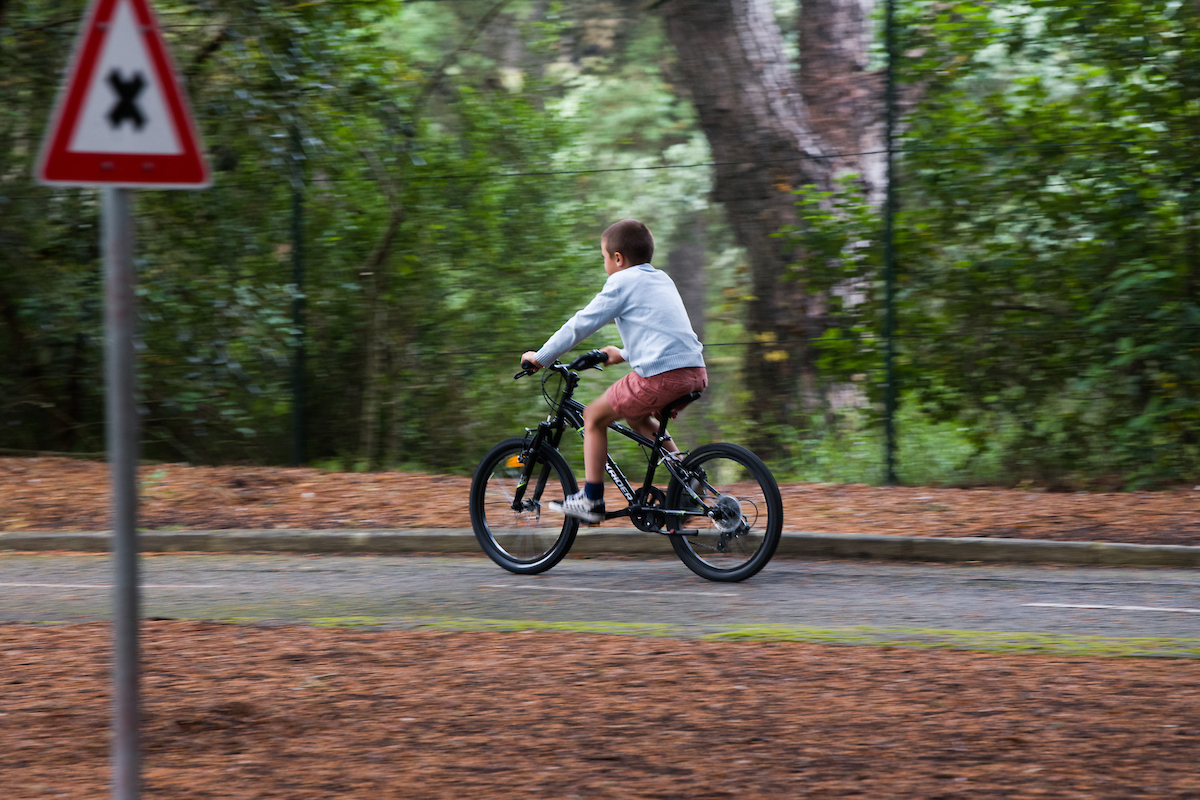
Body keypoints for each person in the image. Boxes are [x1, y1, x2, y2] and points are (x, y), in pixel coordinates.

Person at [521, 219, 707, 523]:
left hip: (661, 376)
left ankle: (591, 500)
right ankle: (687, 474)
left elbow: (580, 324)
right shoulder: (661, 279)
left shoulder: (621, 281)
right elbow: (662, 332)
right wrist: (622, 353)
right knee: (635, 416)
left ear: (617, 258)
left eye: (604, 257)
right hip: (693, 371)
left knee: (593, 416)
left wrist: (541, 357)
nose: (605, 264)